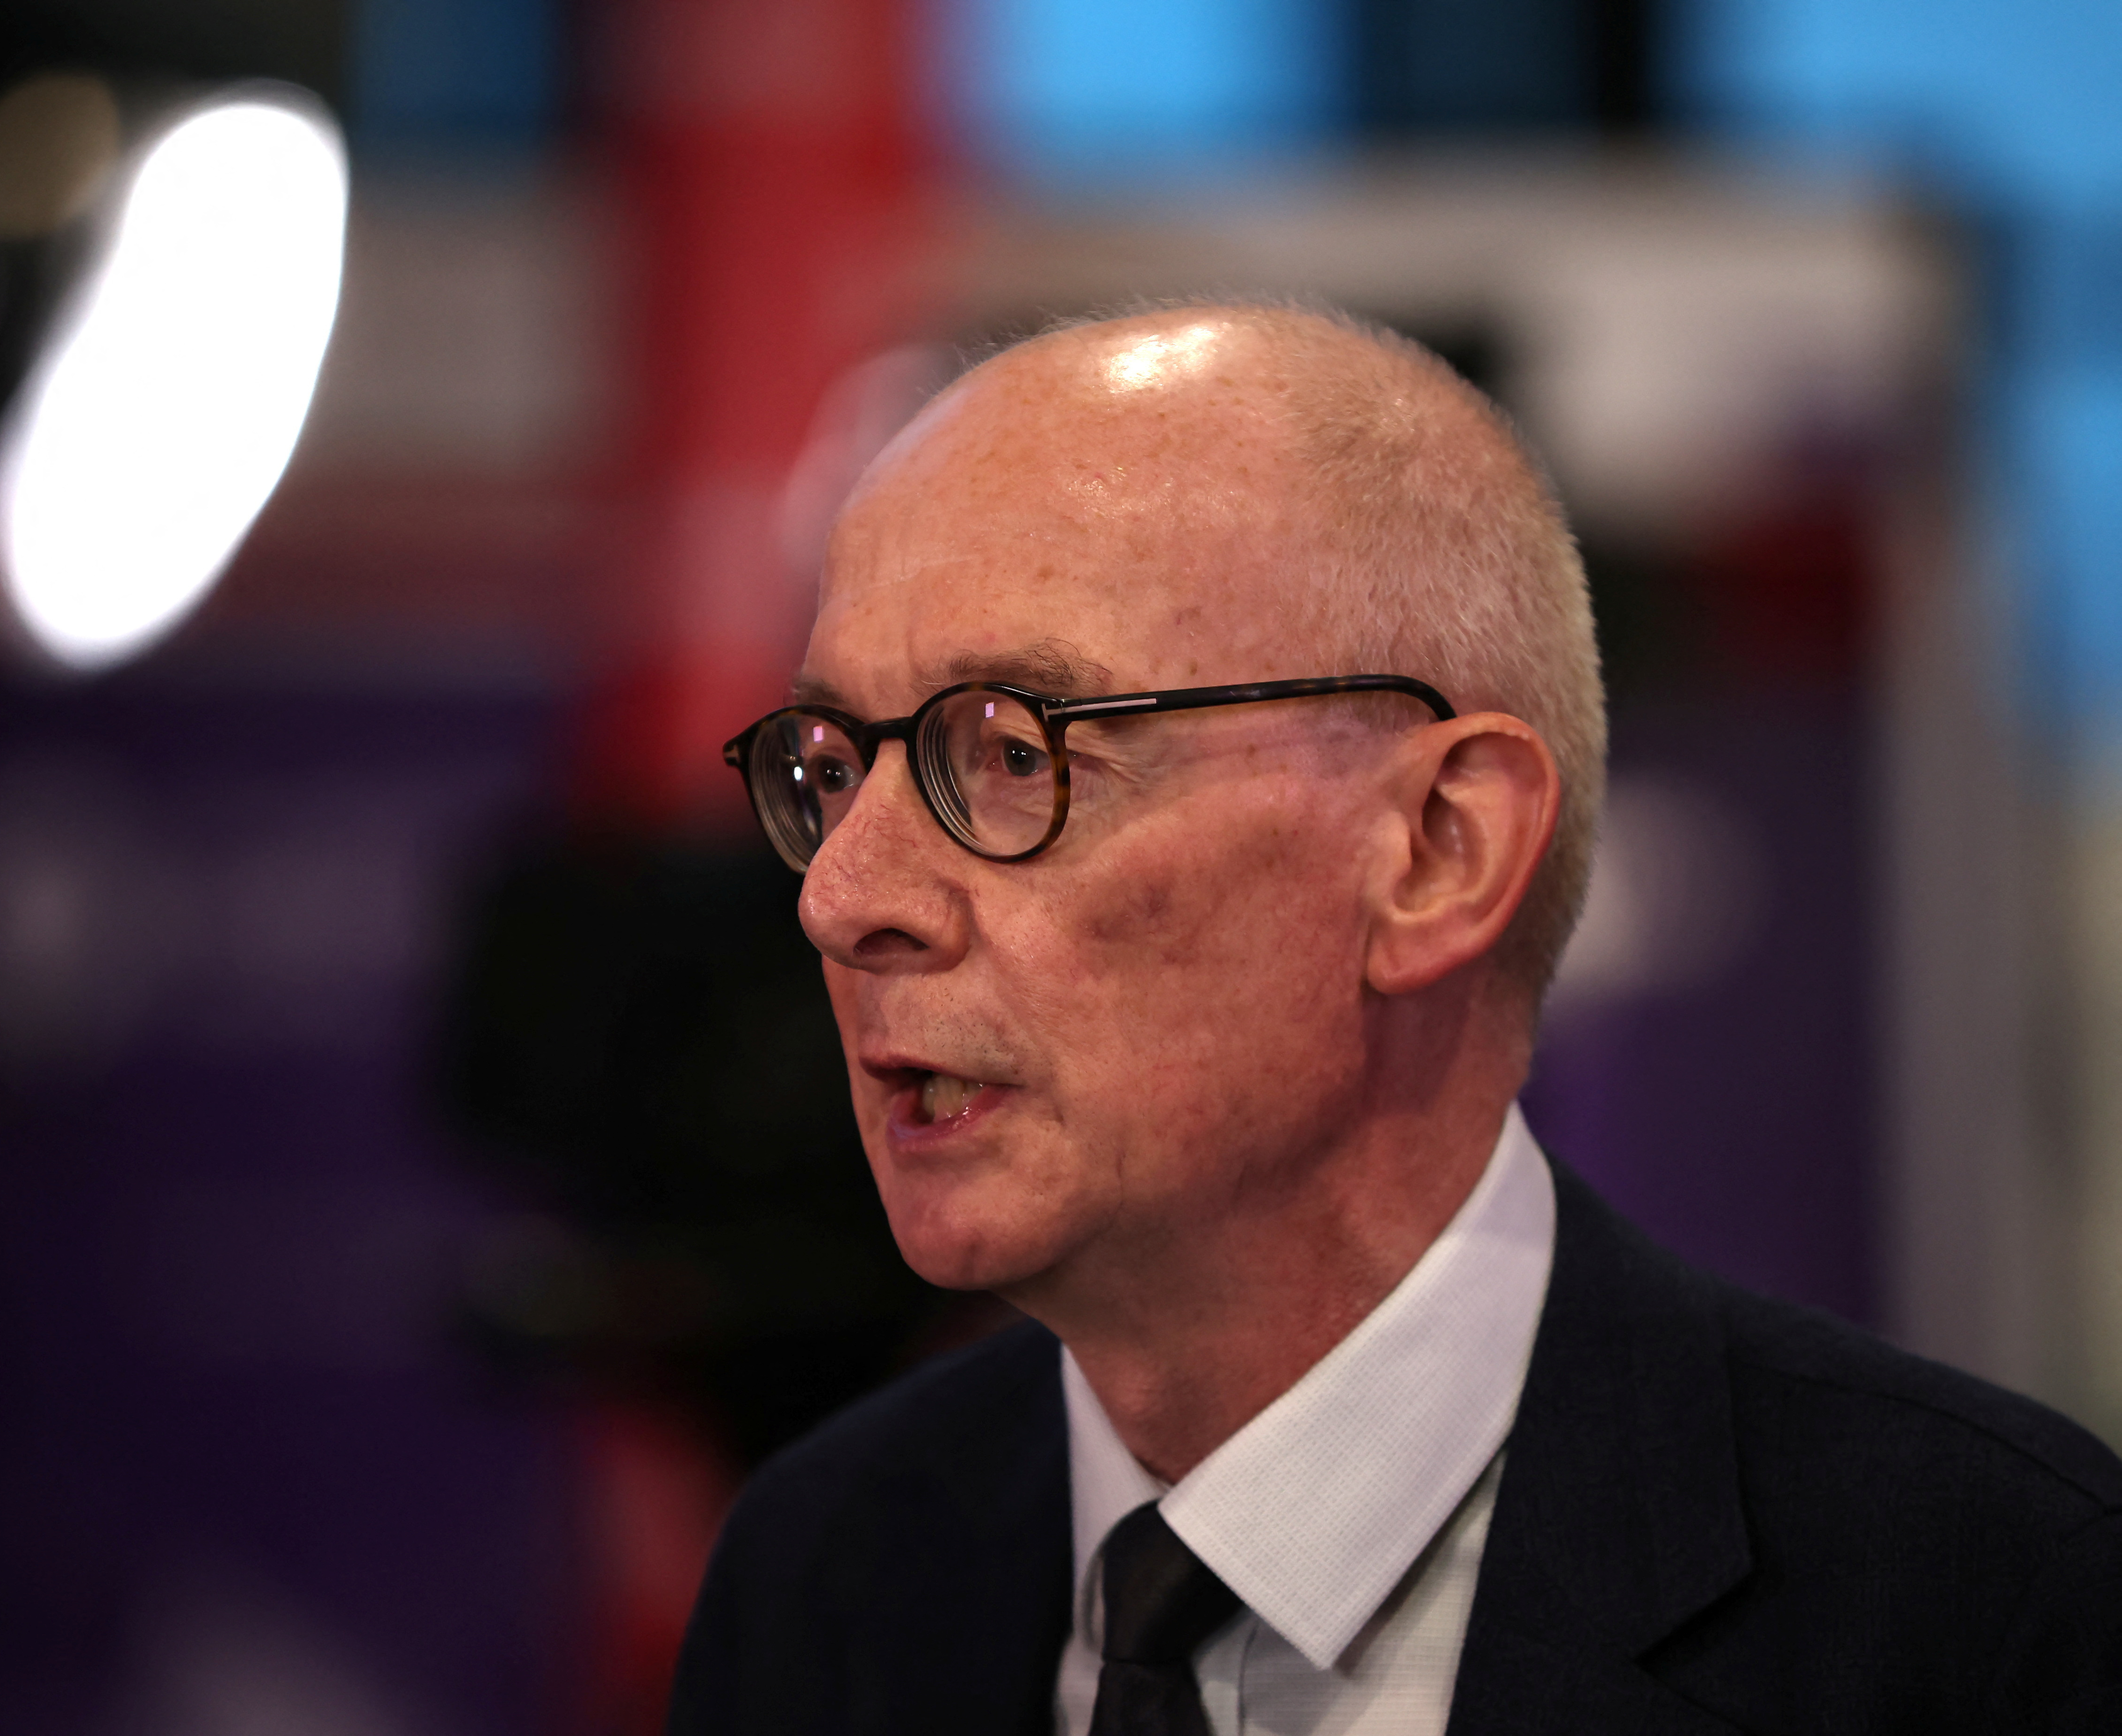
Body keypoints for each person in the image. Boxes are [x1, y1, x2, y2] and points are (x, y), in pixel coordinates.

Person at [669, 305, 2122, 1735]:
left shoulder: (1990, 1612)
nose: (839, 895)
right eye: (829, 767)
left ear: (1436, 848)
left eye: (1007, 751)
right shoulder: (820, 1574)